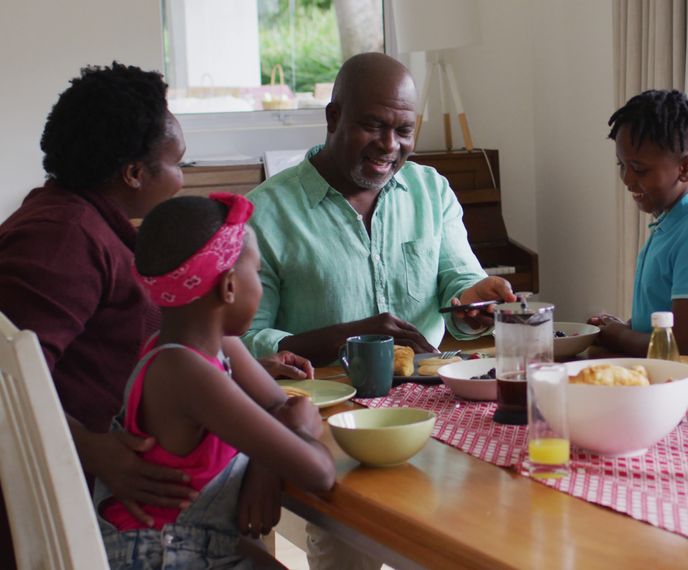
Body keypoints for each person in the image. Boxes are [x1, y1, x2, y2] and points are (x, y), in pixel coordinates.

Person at [0, 62, 311, 565]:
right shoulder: (61, 239)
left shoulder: (86, 223)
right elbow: (12, 386)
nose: (183, 176)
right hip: (106, 519)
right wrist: (92, 449)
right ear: (134, 173)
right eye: (179, 164)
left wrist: (231, 370)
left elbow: (126, 342)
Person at [95, 193, 336, 566]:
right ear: (228, 287)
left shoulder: (213, 345)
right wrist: (285, 436)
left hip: (190, 546)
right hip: (161, 556)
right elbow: (318, 471)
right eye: (256, 273)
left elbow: (283, 405)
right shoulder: (186, 372)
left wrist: (266, 462)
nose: (259, 283)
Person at [242, 52, 515, 366]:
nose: (389, 145)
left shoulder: (431, 191)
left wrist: (473, 305)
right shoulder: (261, 214)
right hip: (323, 396)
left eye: (404, 131)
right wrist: (347, 339)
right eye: (373, 126)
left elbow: (460, 283)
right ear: (333, 117)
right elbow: (243, 341)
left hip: (426, 386)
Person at [588, 89, 688, 363]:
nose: (626, 179)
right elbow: (664, 319)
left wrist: (616, 335)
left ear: (686, 167)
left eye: (639, 169)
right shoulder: (674, 219)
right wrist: (625, 328)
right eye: (621, 165)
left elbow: (683, 348)